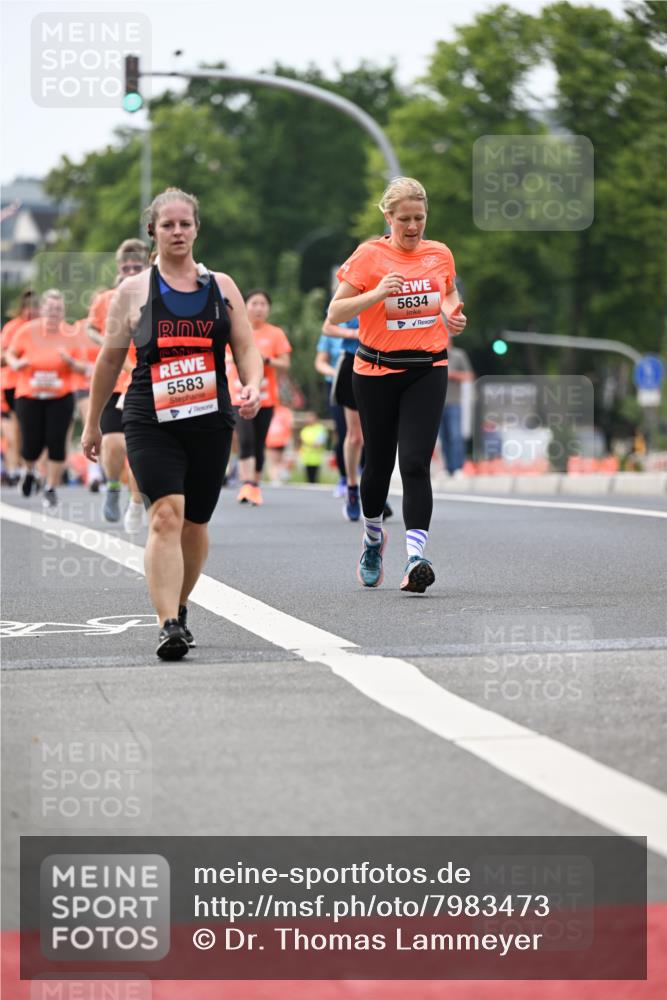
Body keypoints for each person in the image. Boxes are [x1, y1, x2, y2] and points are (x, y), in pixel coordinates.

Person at [82, 187, 263, 660]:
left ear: (196, 228)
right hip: (149, 416)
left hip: (209, 418)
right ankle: (166, 625)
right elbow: (108, 361)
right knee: (165, 515)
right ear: (153, 232)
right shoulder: (135, 291)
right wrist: (92, 424)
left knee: (195, 523)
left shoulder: (222, 287)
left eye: (185, 223)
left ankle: (181, 606)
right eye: (168, 225)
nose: (177, 231)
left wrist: (253, 384)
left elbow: (244, 344)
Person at [328, 177, 467, 593]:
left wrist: (451, 312)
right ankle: (373, 540)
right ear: (387, 217)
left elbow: (448, 291)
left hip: (427, 368)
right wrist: (375, 295)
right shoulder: (369, 256)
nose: (412, 227)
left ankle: (415, 559)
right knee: (378, 468)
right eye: (404, 219)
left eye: (419, 218)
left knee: (415, 463)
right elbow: (335, 313)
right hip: (374, 373)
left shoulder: (438, 253)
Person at [87, 240, 149, 529]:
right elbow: (90, 327)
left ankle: (137, 501)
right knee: (113, 443)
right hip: (116, 382)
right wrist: (109, 343)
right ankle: (113, 487)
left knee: (140, 448)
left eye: (137, 266)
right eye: (126, 267)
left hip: (147, 382)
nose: (131, 271)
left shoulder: (158, 296)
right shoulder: (107, 299)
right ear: (118, 269)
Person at [6, 289, 84, 509]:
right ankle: (29, 471)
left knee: (57, 441)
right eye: (50, 308)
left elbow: (84, 367)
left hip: (60, 395)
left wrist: (70, 362)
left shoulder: (71, 334)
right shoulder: (27, 331)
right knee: (32, 442)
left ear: (63, 312)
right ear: (42, 310)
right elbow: (10, 354)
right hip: (30, 395)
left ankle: (51, 487)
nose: (54, 313)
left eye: (58, 309)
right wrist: (15, 363)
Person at [225, 289, 291, 506]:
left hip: (266, 397)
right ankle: (247, 484)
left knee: (259, 441)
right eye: (254, 303)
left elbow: (285, 364)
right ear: (244, 306)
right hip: (239, 395)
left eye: (263, 304)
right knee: (245, 439)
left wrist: (266, 360)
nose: (259, 308)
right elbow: (224, 355)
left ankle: (254, 484)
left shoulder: (276, 333)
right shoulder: (236, 330)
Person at [321, 315, 364, 519]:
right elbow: (328, 326)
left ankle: (375, 491)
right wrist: (355, 333)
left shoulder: (393, 285)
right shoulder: (352, 289)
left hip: (386, 362)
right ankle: (352, 488)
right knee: (355, 436)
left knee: (379, 437)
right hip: (354, 361)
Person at [1, 290, 40, 485]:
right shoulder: (13, 328)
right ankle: (14, 468)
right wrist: (16, 359)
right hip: (12, 385)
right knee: (16, 430)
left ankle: (29, 469)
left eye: (36, 306)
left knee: (32, 429)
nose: (32, 311)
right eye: (28, 307)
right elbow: (2, 356)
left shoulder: (43, 328)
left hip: (35, 386)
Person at [315, 323, 347, 498]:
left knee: (366, 434)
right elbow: (320, 362)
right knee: (343, 431)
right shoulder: (331, 326)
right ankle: (344, 478)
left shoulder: (365, 318)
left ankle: (367, 476)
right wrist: (336, 373)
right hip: (336, 384)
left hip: (364, 380)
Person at [439, 344, 474, 477]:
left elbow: (469, 376)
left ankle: (458, 467)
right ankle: (448, 468)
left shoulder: (458, 355)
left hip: (454, 402)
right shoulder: (432, 353)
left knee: (455, 436)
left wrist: (453, 375)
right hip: (438, 403)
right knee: (443, 437)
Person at [298, 411, 328, 483]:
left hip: (316, 459)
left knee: (314, 479)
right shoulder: (304, 430)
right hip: (306, 458)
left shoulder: (320, 429)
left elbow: (318, 444)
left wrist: (308, 444)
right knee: (308, 480)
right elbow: (301, 443)